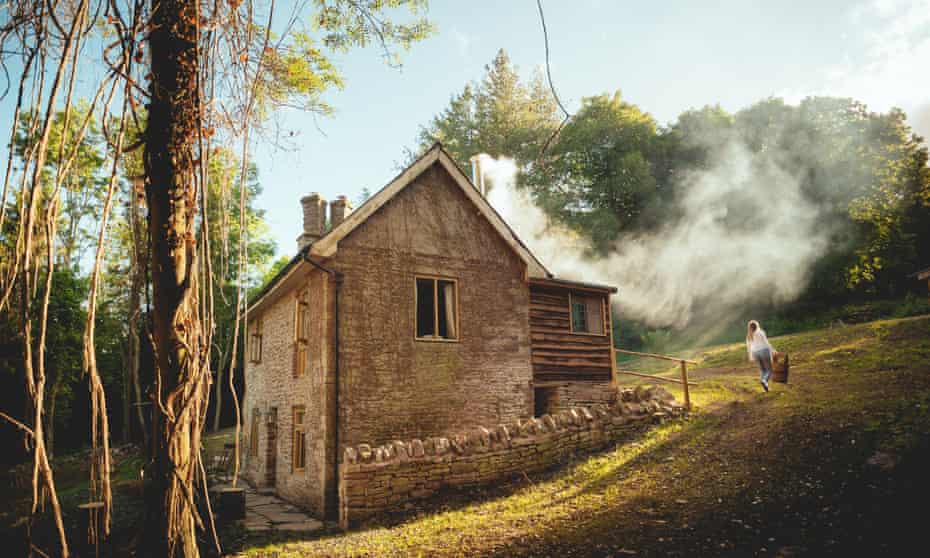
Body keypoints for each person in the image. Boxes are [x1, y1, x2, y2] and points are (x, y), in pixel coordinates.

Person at [747, 320, 776, 392]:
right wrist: (773, 350)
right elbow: (766, 342)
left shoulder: (749, 335)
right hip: (764, 351)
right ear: (757, 325)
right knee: (769, 369)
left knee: (762, 370)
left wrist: (751, 356)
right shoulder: (760, 332)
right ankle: (764, 381)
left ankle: (765, 386)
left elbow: (749, 347)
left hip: (755, 353)